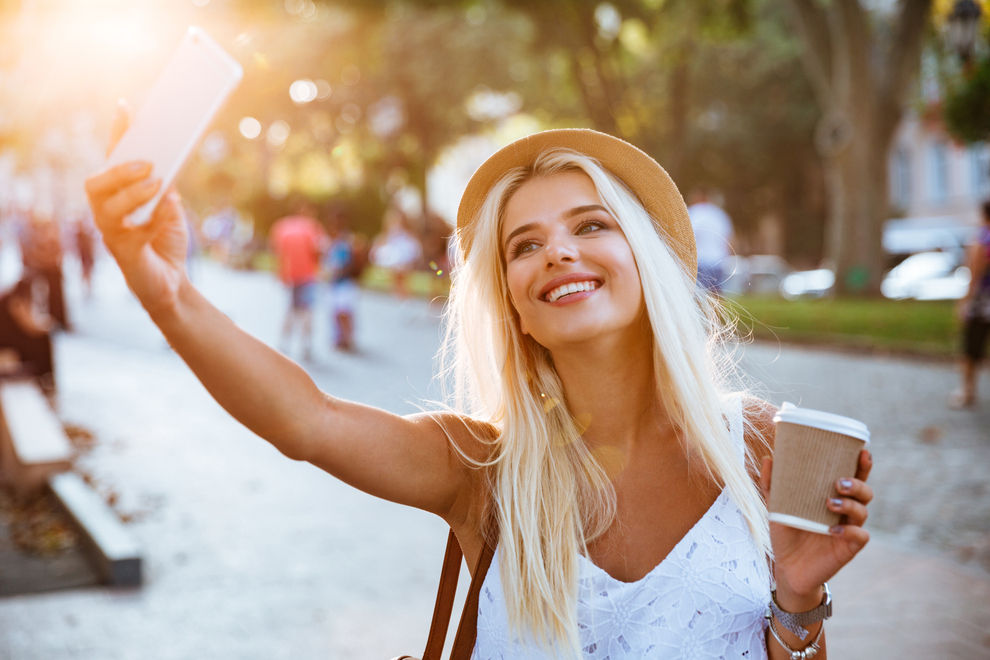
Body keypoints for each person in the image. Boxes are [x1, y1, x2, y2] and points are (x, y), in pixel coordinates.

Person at [86, 120, 873, 658]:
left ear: (646, 259)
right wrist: (167, 293)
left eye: (590, 225)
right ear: (514, 307)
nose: (558, 253)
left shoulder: (759, 445)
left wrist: (799, 597)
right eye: (524, 245)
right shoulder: (482, 468)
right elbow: (308, 420)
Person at [269, 200, 326, 361]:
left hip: (289, 275)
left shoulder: (281, 226)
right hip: (308, 275)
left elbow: (277, 252)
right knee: (307, 310)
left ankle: (283, 343)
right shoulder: (312, 227)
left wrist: (279, 273)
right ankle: (306, 345)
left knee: (291, 309)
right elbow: (318, 250)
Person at [950, 199, 990, 409]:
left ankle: (967, 391)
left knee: (970, 350)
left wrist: (965, 302)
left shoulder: (982, 241)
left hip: (982, 304)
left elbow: (973, 275)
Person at [0, 278, 54, 393]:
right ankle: (47, 382)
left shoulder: (12, 298)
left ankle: (47, 382)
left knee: (43, 338)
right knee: (43, 339)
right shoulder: (13, 302)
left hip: (12, 345)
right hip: (7, 349)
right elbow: (28, 323)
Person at [323, 206, 366, 352]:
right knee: (336, 312)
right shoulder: (332, 241)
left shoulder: (349, 240)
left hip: (345, 281)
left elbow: (351, 262)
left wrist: (340, 272)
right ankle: (340, 338)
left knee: (345, 312)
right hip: (335, 282)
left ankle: (348, 338)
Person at [687, 188, 734, 295]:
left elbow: (689, 237)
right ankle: (716, 312)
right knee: (716, 294)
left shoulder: (694, 212)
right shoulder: (720, 214)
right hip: (718, 260)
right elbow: (728, 239)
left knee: (699, 294)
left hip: (700, 260)